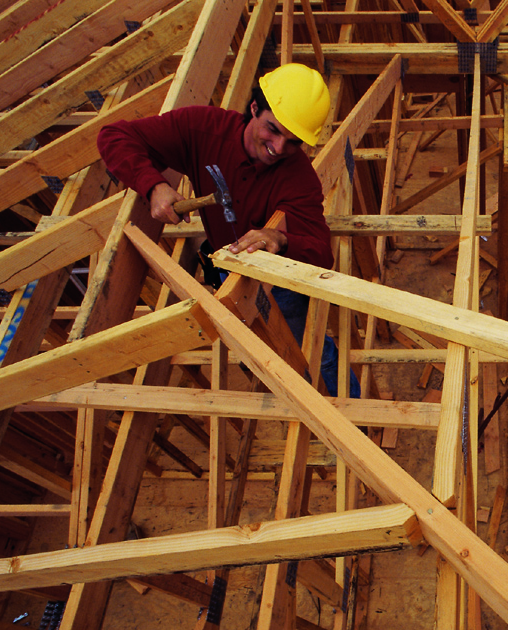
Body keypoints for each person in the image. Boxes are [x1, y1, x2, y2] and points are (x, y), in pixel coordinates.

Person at [97, 63, 359, 398]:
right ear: (254, 108)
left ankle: (349, 412)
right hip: (228, 270)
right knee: (256, 349)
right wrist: (153, 186)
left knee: (313, 353)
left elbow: (322, 252)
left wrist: (280, 239)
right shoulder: (202, 129)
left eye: (293, 142)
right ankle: (282, 386)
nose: (278, 148)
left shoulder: (298, 177)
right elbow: (114, 136)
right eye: (272, 130)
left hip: (279, 283)